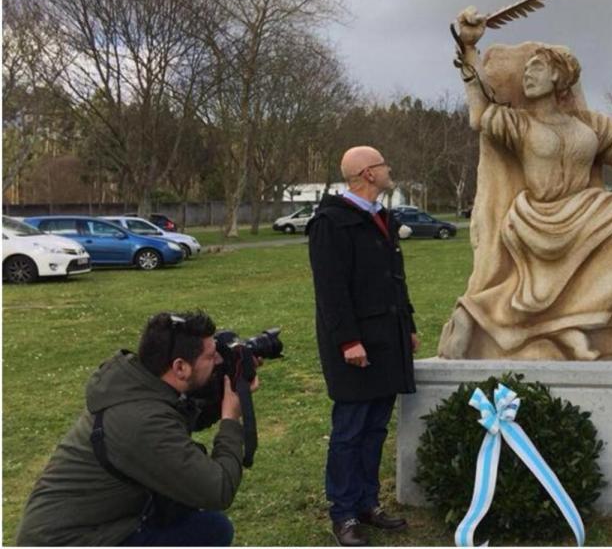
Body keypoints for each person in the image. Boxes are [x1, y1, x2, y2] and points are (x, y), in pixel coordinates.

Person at [437, 7, 612, 361]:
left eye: (537, 68)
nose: (528, 75)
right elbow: (480, 115)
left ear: (559, 76)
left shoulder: (591, 125)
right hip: (534, 218)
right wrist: (469, 50)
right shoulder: (518, 124)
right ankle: (477, 313)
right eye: (525, 69)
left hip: (585, 208)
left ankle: (577, 323)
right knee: (533, 287)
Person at [16, 311, 250, 546]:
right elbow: (218, 489)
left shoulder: (138, 384)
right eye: (211, 356)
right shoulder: (143, 421)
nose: (219, 360)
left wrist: (223, 386)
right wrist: (230, 417)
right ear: (180, 367)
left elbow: (182, 417)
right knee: (211, 530)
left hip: (94, 521)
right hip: (72, 540)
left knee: (202, 522)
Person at [307, 145, 419, 546]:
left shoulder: (381, 217)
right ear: (368, 173)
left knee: (374, 428)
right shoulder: (331, 222)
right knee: (350, 430)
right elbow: (331, 291)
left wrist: (407, 324)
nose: (390, 170)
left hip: (388, 340)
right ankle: (344, 513)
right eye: (384, 165)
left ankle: (367, 503)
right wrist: (349, 341)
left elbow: (394, 277)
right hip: (353, 346)